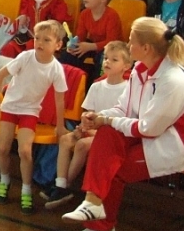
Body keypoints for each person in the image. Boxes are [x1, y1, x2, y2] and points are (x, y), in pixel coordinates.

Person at [62, 17, 184, 231]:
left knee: (114, 168)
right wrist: (98, 117)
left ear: (146, 48)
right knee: (106, 133)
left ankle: (102, 227)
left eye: (131, 40)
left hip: (178, 145)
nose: (127, 43)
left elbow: (149, 129)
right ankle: (92, 203)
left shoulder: (173, 80)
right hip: (150, 133)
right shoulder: (139, 70)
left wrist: (108, 120)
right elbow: (124, 109)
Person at [0, 20, 68, 214]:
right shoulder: (25, 57)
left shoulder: (56, 69)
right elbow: (0, 75)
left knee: (25, 151)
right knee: (3, 148)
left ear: (58, 45)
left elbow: (60, 100)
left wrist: (60, 126)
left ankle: (26, 190)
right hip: (10, 107)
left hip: (29, 111)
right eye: (37, 38)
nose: (40, 43)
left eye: (46, 40)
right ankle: (4, 180)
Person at [43, 41, 131, 209]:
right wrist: (82, 126)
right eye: (106, 58)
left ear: (126, 66)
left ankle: (63, 187)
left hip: (111, 135)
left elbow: (122, 121)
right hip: (93, 130)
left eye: (114, 60)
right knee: (66, 139)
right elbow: (88, 113)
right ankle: (60, 184)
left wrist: (91, 130)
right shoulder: (96, 86)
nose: (107, 62)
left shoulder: (128, 89)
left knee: (82, 145)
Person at [0, 0, 71, 58]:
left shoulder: (57, 4)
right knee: (9, 47)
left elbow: (58, 27)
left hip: (47, 40)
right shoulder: (28, 2)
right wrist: (23, 19)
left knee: (31, 47)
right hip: (29, 37)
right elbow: (24, 18)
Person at [60, 0, 122, 80]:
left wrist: (90, 46)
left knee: (103, 59)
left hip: (112, 48)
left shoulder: (112, 15)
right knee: (68, 54)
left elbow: (111, 42)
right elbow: (80, 36)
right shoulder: (84, 14)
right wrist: (73, 44)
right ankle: (71, 80)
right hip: (93, 45)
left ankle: (96, 83)